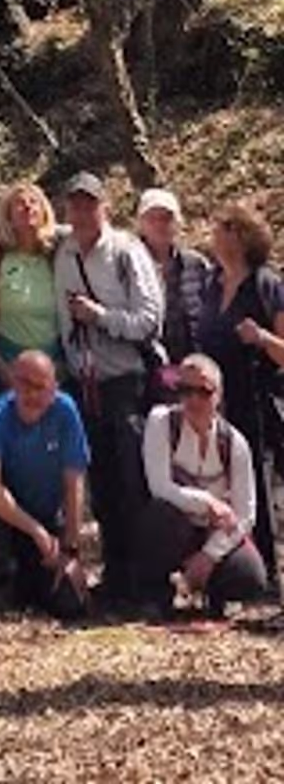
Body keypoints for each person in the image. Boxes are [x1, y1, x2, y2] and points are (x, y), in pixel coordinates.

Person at [53, 171, 162, 608]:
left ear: (105, 208)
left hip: (126, 381)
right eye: (74, 205)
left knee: (134, 482)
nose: (81, 212)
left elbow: (149, 319)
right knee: (103, 486)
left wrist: (100, 316)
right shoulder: (62, 255)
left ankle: (147, 583)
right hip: (85, 384)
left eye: (89, 204)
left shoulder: (125, 252)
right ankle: (116, 578)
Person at [138, 351, 270, 616]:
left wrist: (210, 555)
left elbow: (245, 514)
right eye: (185, 390)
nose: (193, 400)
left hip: (215, 531)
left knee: (251, 575)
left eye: (204, 391)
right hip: (176, 526)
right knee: (158, 516)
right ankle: (157, 594)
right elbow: (159, 486)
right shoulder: (161, 422)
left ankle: (216, 594)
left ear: (218, 396)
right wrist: (208, 502)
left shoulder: (234, 442)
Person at [197, 198, 284, 581]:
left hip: (260, 398)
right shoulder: (211, 284)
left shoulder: (267, 285)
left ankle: (270, 573)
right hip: (219, 403)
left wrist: (262, 337)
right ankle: (237, 570)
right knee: (227, 486)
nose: (214, 237)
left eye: (222, 229)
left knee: (261, 485)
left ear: (241, 236)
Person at [0, 350, 90, 618]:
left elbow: (74, 480)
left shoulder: (66, 411)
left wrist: (71, 548)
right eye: (24, 384)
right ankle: (2, 577)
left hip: (51, 517)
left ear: (54, 387)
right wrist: (35, 530)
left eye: (40, 387)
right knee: (13, 598)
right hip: (9, 517)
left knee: (70, 605)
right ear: (13, 384)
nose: (31, 395)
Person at [0, 181, 62, 384]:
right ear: (7, 216)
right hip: (7, 363)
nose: (28, 206)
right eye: (19, 203)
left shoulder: (57, 255)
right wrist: (1, 369)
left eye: (33, 202)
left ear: (44, 211)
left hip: (53, 364)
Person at [134, 187, 210, 366]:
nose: (160, 225)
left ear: (178, 223)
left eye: (167, 218)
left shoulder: (196, 264)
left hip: (194, 359)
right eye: (152, 219)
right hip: (148, 362)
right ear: (141, 224)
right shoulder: (130, 265)